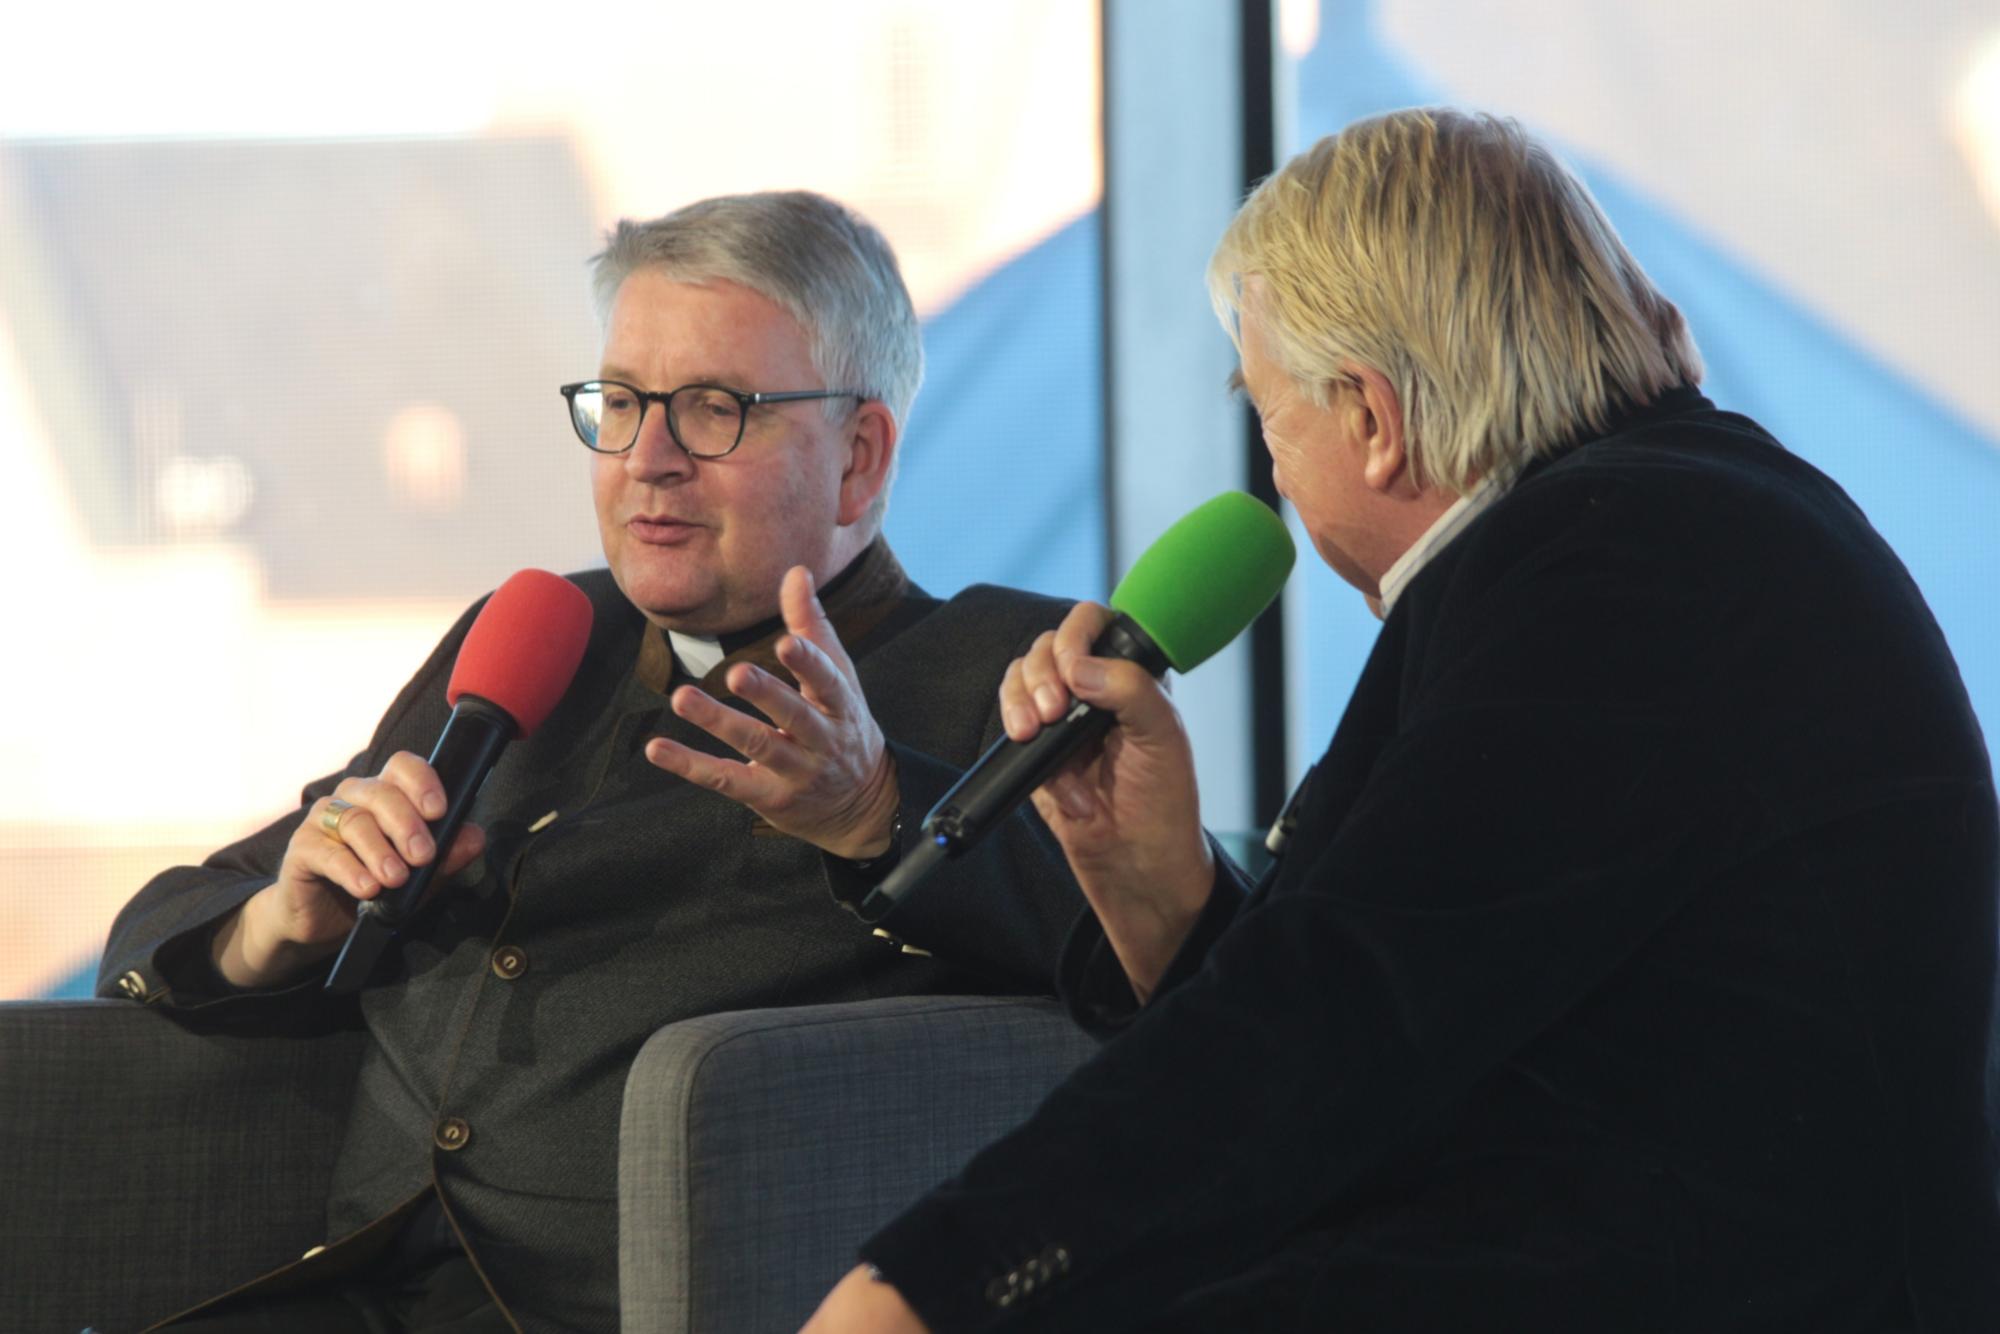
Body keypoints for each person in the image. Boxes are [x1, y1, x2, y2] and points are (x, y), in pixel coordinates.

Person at [801, 108, 2000, 1332]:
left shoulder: (1615, 567)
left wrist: (921, 1289)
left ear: (1370, 419)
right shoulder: (1672, 523)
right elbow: (1412, 1011)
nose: (1274, 480)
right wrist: (1155, 888)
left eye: (1268, 417)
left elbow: (1337, 1017)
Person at [95, 191, 1083, 1331]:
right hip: (348, 1285)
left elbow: (1152, 964)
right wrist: (277, 922)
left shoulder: (1005, 668)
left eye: (713, 410)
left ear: (858, 459)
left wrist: (878, 813)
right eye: (620, 404)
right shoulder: (539, 630)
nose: (648, 460)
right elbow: (166, 924)